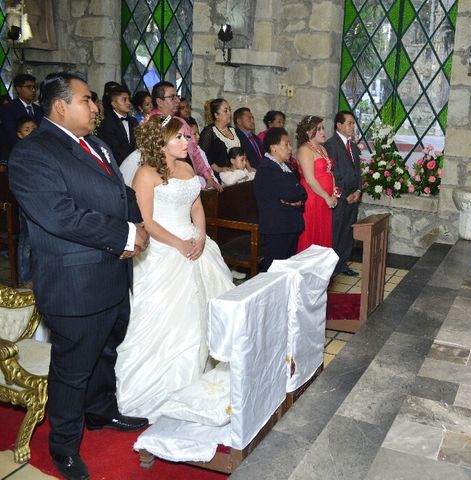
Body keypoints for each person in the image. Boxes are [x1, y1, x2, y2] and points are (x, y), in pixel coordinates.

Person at [9, 71, 149, 480]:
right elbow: (62, 216)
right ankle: (64, 447)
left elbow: (120, 193)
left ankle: (102, 413)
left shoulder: (98, 145)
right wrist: (124, 233)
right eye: (87, 100)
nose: (95, 107)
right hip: (75, 284)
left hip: (111, 274)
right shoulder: (33, 154)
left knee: (105, 351)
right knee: (73, 369)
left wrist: (139, 224)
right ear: (60, 106)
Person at [115, 116, 234, 422]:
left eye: (187, 137)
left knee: (206, 311)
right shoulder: (145, 174)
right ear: (161, 141)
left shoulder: (187, 168)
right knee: (176, 318)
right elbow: (148, 221)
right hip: (163, 248)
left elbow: (196, 206)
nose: (187, 142)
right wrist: (179, 244)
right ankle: (168, 383)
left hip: (195, 243)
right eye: (180, 137)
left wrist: (202, 235)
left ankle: (201, 377)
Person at [148, 81, 221, 191]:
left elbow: (194, 151)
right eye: (172, 97)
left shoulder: (180, 121)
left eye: (177, 96)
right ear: (160, 101)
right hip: (163, 179)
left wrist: (208, 176)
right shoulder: (151, 123)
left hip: (188, 175)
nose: (177, 101)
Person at [254, 127, 307, 271]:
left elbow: (302, 192)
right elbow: (291, 193)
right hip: (277, 227)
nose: (290, 148)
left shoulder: (284, 166)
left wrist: (296, 200)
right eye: (286, 144)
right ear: (274, 148)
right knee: (274, 268)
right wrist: (294, 198)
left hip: (289, 223)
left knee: (287, 267)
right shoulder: (268, 168)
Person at [325, 111, 362, 277]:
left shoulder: (353, 146)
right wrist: (345, 194)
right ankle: (331, 267)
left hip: (353, 197)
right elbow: (334, 173)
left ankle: (342, 263)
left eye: (353, 123)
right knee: (337, 232)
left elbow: (357, 172)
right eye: (349, 123)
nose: (352, 126)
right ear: (338, 125)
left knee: (348, 232)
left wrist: (359, 190)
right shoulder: (331, 145)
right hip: (340, 198)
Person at [295, 115, 338, 252]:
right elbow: (310, 179)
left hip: (325, 198)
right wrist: (327, 197)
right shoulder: (304, 150)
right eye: (318, 129)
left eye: (323, 128)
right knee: (312, 232)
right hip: (313, 197)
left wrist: (334, 193)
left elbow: (329, 172)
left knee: (323, 232)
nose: (322, 132)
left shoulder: (321, 148)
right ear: (308, 132)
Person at [14, 117, 38, 287]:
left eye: (34, 128)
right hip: (26, 202)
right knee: (26, 241)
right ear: (20, 134)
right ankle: (25, 276)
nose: (32, 132)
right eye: (27, 129)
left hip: (40, 201)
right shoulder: (19, 152)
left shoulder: (41, 149)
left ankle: (37, 274)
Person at [96, 85, 138, 165]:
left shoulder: (133, 121)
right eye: (124, 100)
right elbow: (112, 150)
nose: (128, 103)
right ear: (114, 104)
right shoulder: (107, 124)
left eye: (128, 99)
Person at [0, 73, 43, 150]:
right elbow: (11, 135)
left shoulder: (38, 109)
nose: (33, 90)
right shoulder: (8, 108)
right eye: (29, 87)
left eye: (34, 87)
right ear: (18, 89)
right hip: (14, 151)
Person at [199, 98, 241, 172]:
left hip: (238, 173)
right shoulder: (209, 132)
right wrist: (219, 169)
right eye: (225, 111)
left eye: (230, 110)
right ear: (216, 115)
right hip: (219, 175)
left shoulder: (234, 131)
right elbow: (202, 156)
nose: (229, 113)